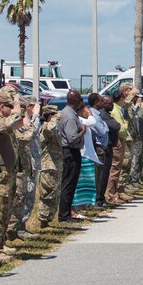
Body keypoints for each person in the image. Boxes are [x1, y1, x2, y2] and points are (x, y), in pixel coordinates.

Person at [0, 89, 25, 262]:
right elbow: (6, 125)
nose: (13, 109)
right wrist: (17, 111)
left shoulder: (4, 120)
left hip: (7, 173)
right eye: (10, 106)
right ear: (2, 107)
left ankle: (1, 244)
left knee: (5, 211)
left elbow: (19, 125)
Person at [9, 95, 40, 237]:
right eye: (34, 105)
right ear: (28, 106)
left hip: (31, 161)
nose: (37, 108)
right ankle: (17, 227)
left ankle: (20, 226)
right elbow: (28, 134)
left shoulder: (28, 119)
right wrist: (35, 117)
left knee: (29, 195)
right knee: (24, 195)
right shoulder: (21, 120)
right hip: (24, 162)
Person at [58, 90, 87, 221]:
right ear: (75, 100)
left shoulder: (68, 112)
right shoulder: (70, 116)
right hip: (70, 151)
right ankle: (64, 214)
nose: (81, 101)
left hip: (70, 150)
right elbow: (72, 138)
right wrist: (83, 131)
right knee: (69, 183)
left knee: (70, 182)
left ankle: (67, 212)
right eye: (80, 99)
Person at [35, 103, 63, 228]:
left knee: (55, 193)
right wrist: (56, 118)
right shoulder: (46, 127)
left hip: (55, 165)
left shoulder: (54, 128)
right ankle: (43, 219)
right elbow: (50, 129)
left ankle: (48, 219)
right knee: (48, 193)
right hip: (48, 166)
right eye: (54, 115)